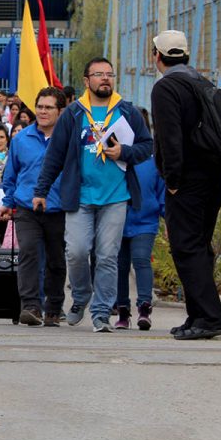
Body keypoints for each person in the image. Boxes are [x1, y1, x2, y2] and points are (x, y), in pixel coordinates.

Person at [34, 57, 154, 333]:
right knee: (76, 252)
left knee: (107, 256)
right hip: (80, 197)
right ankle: (81, 297)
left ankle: (101, 313)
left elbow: (147, 146)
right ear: (87, 81)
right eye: (99, 74)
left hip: (115, 197)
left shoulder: (127, 111)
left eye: (109, 74)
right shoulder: (74, 114)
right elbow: (55, 156)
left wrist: (124, 152)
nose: (105, 79)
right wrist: (41, 191)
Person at [150, 30, 221, 340]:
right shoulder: (199, 81)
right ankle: (197, 314)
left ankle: (209, 317)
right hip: (213, 176)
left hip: (188, 181)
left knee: (186, 247)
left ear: (157, 55)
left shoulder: (166, 87)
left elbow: (170, 139)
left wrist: (173, 181)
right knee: (199, 246)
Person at [0, 87, 67, 327]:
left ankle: (54, 308)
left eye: (49, 107)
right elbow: (11, 175)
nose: (43, 111)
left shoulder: (68, 139)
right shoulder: (21, 139)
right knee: (28, 251)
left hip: (59, 209)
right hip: (27, 208)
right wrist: (8, 203)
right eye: (40, 106)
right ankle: (30, 306)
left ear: (60, 111)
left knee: (56, 261)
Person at [115, 107, 165, 330]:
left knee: (142, 259)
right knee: (120, 265)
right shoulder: (113, 156)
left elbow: (161, 189)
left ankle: (144, 307)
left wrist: (166, 216)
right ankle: (122, 311)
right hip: (116, 220)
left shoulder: (153, 160)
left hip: (145, 220)